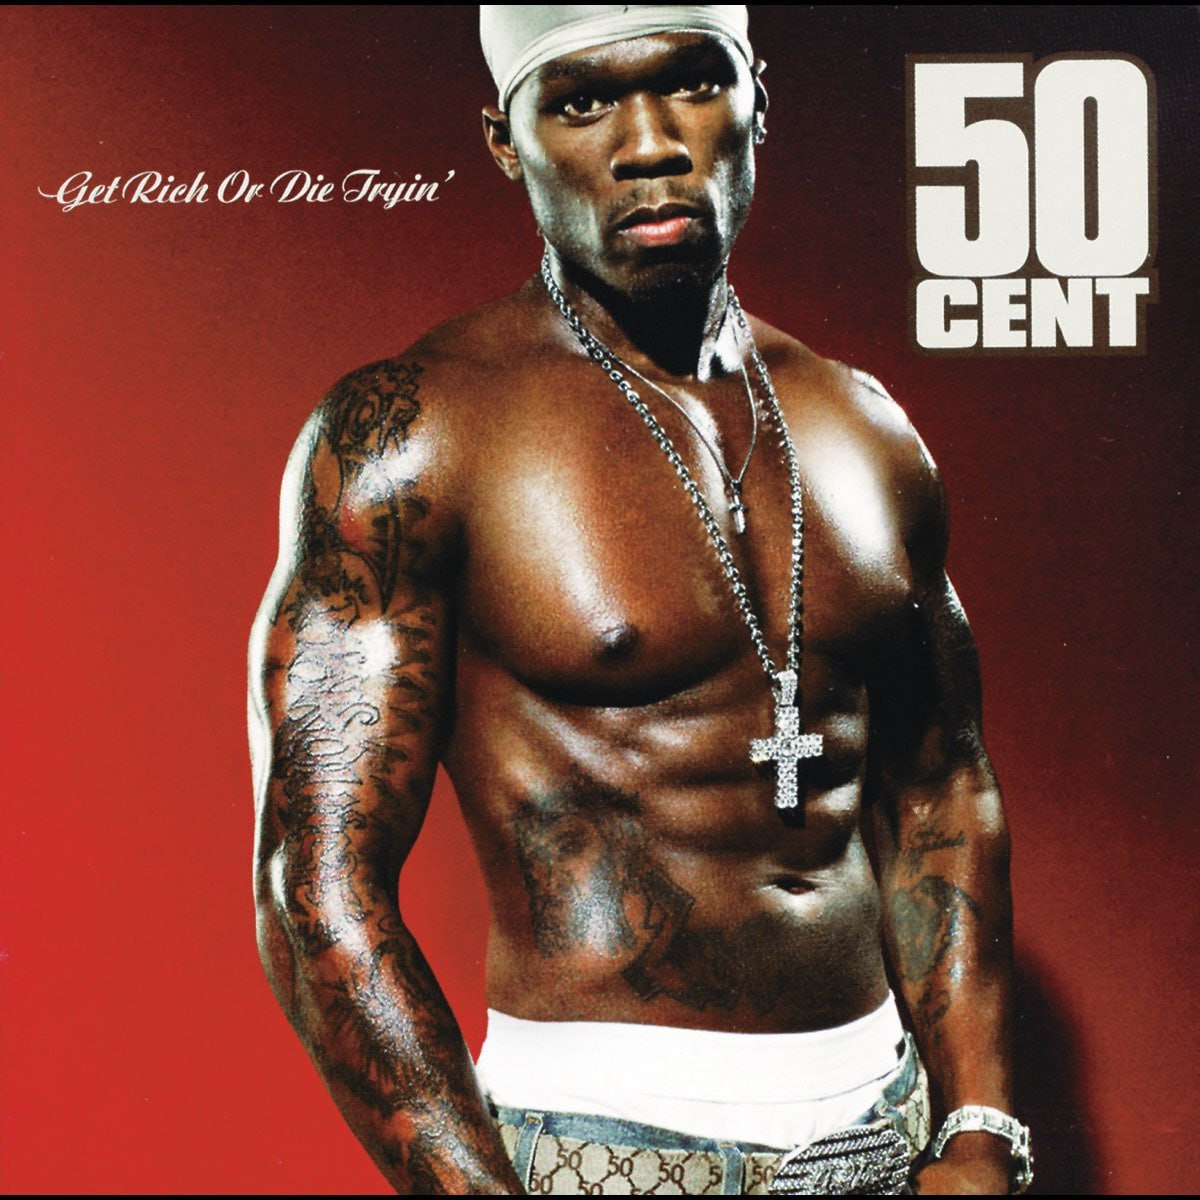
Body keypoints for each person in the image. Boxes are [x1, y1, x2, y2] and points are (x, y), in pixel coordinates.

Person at [249, 6, 1030, 1194]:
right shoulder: (418, 433)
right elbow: (317, 887)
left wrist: (977, 1127)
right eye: (582, 102)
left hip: (890, 1116)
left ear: (757, 99)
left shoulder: (864, 426)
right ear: (506, 140)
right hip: (607, 1144)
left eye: (694, 84)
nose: (652, 142)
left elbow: (943, 787)